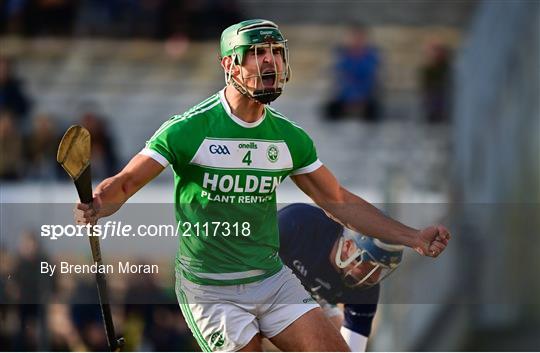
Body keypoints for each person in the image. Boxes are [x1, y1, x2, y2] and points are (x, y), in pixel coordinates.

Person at [75, 19, 450, 352]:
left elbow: (339, 201)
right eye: (256, 53)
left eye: (276, 52)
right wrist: (98, 202)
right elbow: (123, 184)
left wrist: (413, 237)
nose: (270, 61)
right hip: (209, 288)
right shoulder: (188, 129)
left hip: (271, 280)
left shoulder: (289, 138)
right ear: (229, 65)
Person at [278, 203, 405, 351]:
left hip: (312, 298)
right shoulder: (297, 222)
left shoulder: (366, 290)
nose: (374, 277)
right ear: (348, 247)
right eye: (371, 265)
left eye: (381, 270)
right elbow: (249, 257)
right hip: (265, 284)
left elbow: (353, 347)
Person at [323, 24, 381, 122]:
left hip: (365, 99)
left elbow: (370, 82)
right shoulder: (341, 57)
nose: (355, 41)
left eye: (359, 38)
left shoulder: (371, 57)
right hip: (344, 98)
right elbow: (338, 81)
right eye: (353, 37)